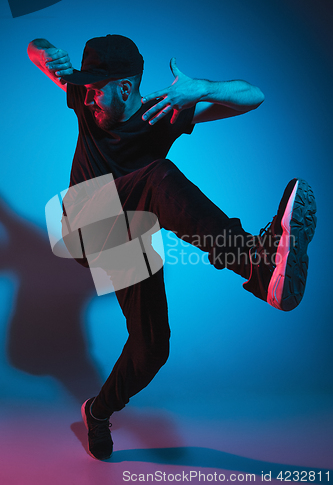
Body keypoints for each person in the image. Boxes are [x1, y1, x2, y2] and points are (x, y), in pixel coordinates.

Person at [27, 34, 317, 460]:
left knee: (152, 347)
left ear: (125, 88)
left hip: (128, 238)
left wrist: (200, 88)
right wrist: (43, 51)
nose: (88, 101)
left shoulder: (163, 112)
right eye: (85, 91)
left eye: (96, 92)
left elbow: (253, 96)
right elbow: (38, 52)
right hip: (87, 224)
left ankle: (98, 411)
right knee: (157, 175)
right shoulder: (85, 99)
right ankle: (255, 264)